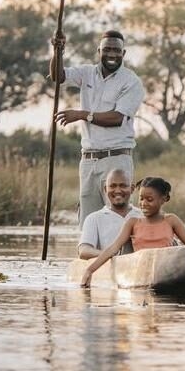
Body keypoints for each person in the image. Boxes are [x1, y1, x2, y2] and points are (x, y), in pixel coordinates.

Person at [49, 29, 145, 225]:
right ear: (99, 51)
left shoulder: (131, 81)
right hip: (88, 160)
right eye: (107, 49)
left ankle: (121, 255)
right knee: (88, 219)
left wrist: (82, 115)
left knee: (119, 217)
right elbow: (57, 76)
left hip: (116, 158)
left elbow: (117, 118)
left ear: (123, 53)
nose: (112, 54)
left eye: (116, 50)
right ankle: (90, 255)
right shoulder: (87, 73)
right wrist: (58, 50)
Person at [80, 177, 185, 287]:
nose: (144, 203)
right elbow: (113, 248)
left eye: (149, 200)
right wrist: (90, 270)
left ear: (163, 199)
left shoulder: (171, 220)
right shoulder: (133, 222)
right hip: (141, 272)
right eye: (141, 198)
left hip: (167, 270)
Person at [78, 168, 143, 259]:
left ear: (132, 189)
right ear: (105, 189)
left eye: (123, 186)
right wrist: (110, 255)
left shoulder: (142, 215)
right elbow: (84, 251)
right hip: (109, 267)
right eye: (112, 186)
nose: (117, 190)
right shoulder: (94, 218)